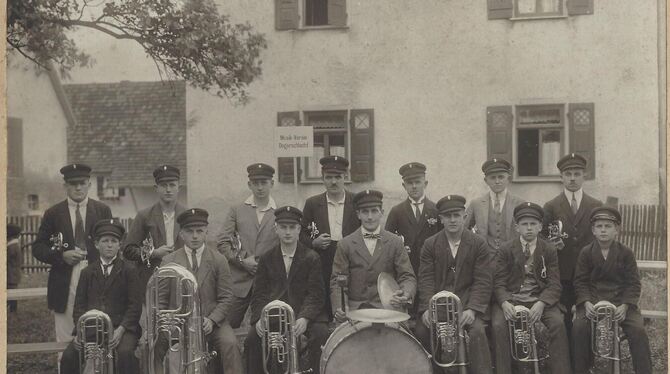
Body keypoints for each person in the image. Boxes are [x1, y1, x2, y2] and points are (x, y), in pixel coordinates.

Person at [154, 208, 243, 374]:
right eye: (190, 231)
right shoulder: (168, 261)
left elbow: (226, 297)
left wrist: (212, 319)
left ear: (206, 233)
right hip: (178, 323)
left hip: (211, 323)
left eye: (199, 231)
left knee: (230, 343)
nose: (195, 236)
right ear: (181, 234)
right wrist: (170, 321)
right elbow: (160, 300)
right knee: (152, 345)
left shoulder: (219, 260)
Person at [32, 163, 113, 345]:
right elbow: (38, 247)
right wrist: (61, 256)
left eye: (82, 183)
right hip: (64, 279)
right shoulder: (53, 213)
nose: (78, 187)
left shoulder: (102, 211)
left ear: (89, 184)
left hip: (96, 276)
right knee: (66, 338)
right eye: (72, 183)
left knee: (97, 333)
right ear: (65, 186)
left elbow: (112, 244)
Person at [245, 206, 329, 374]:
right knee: (252, 339)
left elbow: (316, 294)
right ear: (276, 229)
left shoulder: (312, 257)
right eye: (283, 227)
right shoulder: (267, 258)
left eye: (292, 227)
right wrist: (259, 319)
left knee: (321, 335)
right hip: (276, 313)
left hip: (304, 313)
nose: (288, 232)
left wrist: (305, 318)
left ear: (299, 229)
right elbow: (259, 294)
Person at [416, 195, 493, 374]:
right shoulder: (430, 244)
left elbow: (483, 280)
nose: (452, 220)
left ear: (464, 217)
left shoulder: (478, 244)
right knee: (421, 331)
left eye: (456, 215)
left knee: (477, 333)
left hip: (467, 306)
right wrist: (427, 309)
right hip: (439, 307)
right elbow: (425, 279)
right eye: (447, 216)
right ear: (440, 219)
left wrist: (473, 309)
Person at [491, 202, 570, 374]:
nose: (529, 228)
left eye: (533, 224)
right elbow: (498, 282)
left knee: (557, 323)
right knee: (498, 325)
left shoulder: (548, 249)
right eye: (524, 224)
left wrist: (542, 303)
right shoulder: (506, 249)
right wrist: (504, 302)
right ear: (517, 227)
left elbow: (554, 283)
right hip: (512, 299)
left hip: (538, 299)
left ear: (540, 226)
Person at [572, 206, 652, 374]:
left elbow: (633, 283)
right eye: (599, 226)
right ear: (593, 230)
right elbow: (580, 282)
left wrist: (625, 305)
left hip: (620, 303)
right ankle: (582, 370)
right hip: (593, 303)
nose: (603, 230)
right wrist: (585, 303)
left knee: (638, 330)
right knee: (579, 328)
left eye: (608, 226)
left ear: (616, 230)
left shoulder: (626, 253)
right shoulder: (586, 253)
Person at [60, 219, 142, 374]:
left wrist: (121, 329)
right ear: (97, 244)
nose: (110, 245)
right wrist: (80, 332)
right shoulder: (87, 272)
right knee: (69, 356)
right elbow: (79, 307)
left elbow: (134, 306)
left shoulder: (129, 271)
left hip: (122, 328)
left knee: (125, 354)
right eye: (105, 241)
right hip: (92, 329)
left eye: (114, 241)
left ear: (120, 245)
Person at [330, 189, 416, 319]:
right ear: (358, 214)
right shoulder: (345, 244)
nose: (370, 217)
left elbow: (407, 276)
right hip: (355, 309)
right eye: (365, 212)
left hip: (388, 308)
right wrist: (339, 307)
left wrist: (404, 294)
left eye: (374, 211)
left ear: (381, 213)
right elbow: (337, 281)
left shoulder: (395, 242)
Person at [542, 153, 602, 337]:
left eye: (577, 173)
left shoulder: (595, 205)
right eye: (568, 174)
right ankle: (567, 363)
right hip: (562, 273)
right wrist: (552, 245)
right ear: (561, 177)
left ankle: (586, 363)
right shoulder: (551, 206)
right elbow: (542, 238)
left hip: (589, 273)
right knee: (565, 318)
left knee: (588, 317)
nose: (573, 178)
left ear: (584, 175)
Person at [217, 163, 279, 328]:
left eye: (264, 182)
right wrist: (242, 261)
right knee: (225, 327)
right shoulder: (237, 210)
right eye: (255, 182)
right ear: (249, 184)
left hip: (269, 284)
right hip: (239, 283)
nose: (259, 187)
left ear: (271, 184)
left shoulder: (279, 213)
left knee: (268, 329)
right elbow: (222, 241)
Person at [301, 156, 361, 319]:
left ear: (345, 178)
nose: (333, 182)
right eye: (329, 177)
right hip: (323, 259)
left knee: (348, 304)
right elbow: (300, 235)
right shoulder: (312, 203)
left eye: (338, 177)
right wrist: (314, 242)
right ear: (322, 179)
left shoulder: (356, 201)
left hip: (351, 259)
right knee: (324, 303)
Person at [385, 162, 442, 317]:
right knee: (406, 313)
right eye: (410, 183)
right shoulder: (396, 212)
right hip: (405, 269)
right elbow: (387, 243)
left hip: (431, 269)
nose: (414, 186)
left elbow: (443, 241)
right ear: (404, 186)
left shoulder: (436, 210)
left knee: (429, 312)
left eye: (418, 182)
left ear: (426, 183)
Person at [123, 165, 186, 300]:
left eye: (172, 185)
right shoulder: (144, 216)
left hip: (183, 279)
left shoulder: (187, 215)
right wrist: (153, 253)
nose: (168, 190)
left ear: (178, 188)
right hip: (152, 279)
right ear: (156, 188)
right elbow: (128, 250)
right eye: (163, 185)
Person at [466, 158, 525, 251]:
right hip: (485, 258)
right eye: (493, 178)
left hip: (512, 258)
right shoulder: (476, 204)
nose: (497, 181)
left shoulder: (520, 203)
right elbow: (463, 229)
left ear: (508, 178)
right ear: (486, 180)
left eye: (501, 177)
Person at [7, 223, 23, 313]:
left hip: (11, 274)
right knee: (11, 291)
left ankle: (13, 310)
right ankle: (12, 309)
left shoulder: (11, 247)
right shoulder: (13, 246)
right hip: (13, 273)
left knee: (11, 292)